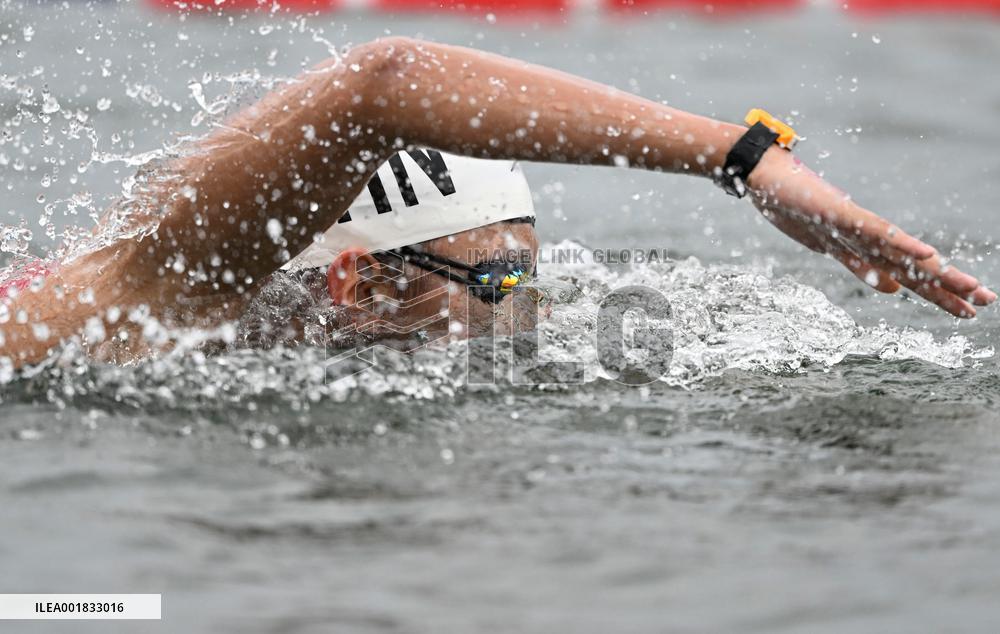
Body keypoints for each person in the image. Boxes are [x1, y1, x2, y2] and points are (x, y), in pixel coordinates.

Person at [0, 37, 993, 371]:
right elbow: (382, 80)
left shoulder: (289, 335)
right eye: (500, 281)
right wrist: (744, 159)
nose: (524, 322)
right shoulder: (149, 306)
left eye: (533, 278)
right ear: (353, 276)